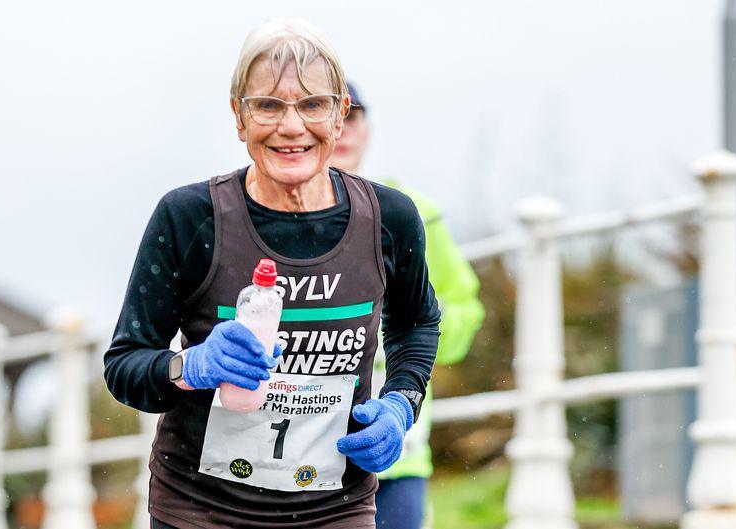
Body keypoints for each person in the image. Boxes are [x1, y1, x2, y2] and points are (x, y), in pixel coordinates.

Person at [103, 19, 441, 529]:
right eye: (268, 105)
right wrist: (189, 368)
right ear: (239, 117)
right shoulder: (190, 217)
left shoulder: (389, 219)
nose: (291, 126)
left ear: (340, 115)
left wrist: (400, 401)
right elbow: (125, 365)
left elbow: (417, 323)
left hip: (335, 508)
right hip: (199, 510)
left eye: (312, 105)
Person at [332, 83, 485, 529]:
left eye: (353, 115)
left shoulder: (414, 213)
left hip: (396, 447)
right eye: (332, 114)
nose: (343, 127)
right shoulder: (268, 214)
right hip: (293, 438)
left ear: (368, 129)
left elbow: (462, 311)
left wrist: (409, 328)